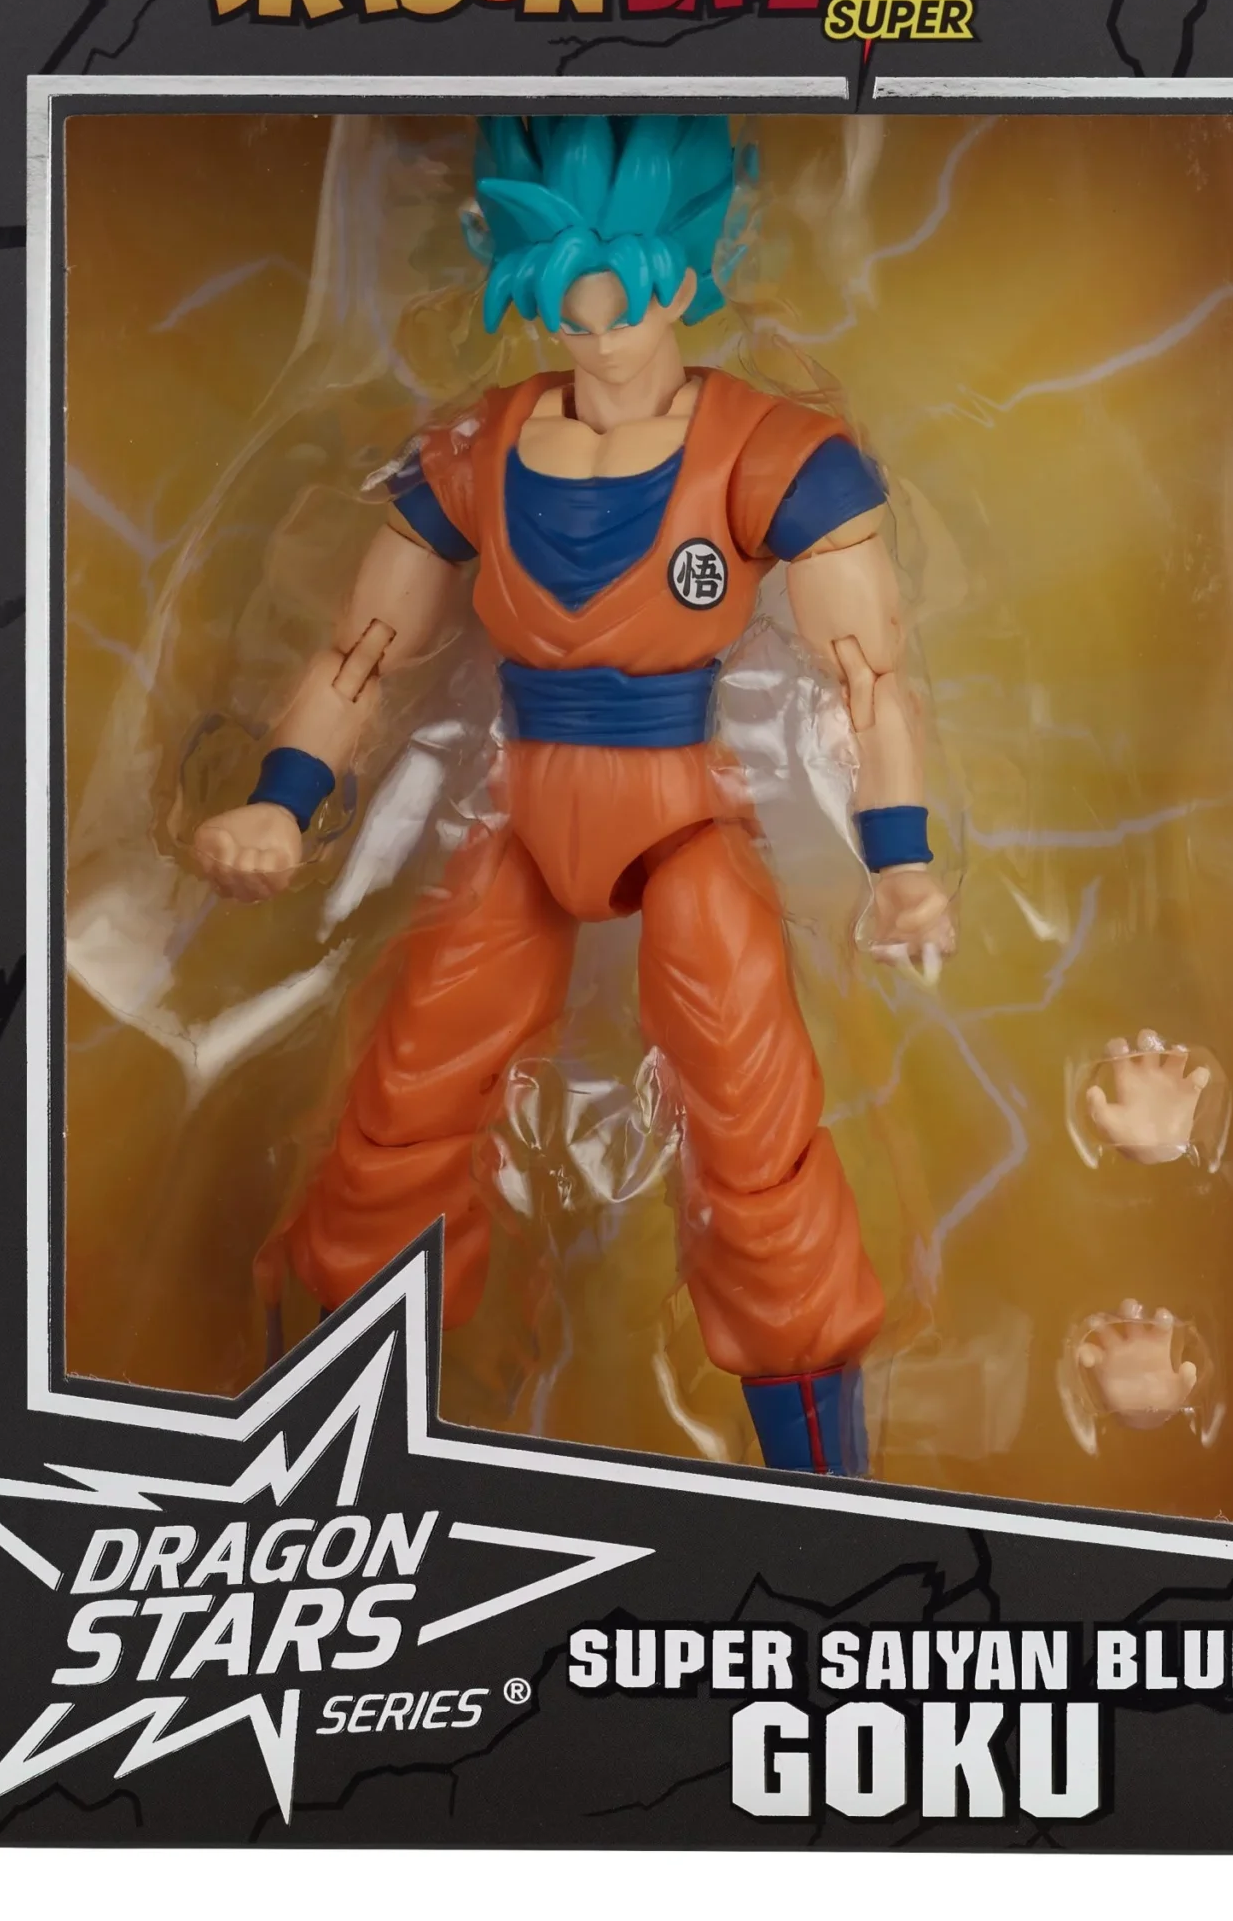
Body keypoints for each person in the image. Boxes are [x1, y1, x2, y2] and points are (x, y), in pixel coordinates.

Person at [191, 115, 954, 1475]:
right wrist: (280, 802)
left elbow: (871, 682)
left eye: (624, 307)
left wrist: (900, 862)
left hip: (682, 824)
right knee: (403, 1107)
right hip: (523, 820)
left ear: (685, 282)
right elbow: (361, 655)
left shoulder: (772, 451)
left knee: (754, 1130)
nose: (598, 341)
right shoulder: (475, 450)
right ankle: (335, 1438)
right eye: (567, 311)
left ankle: (821, 1485)